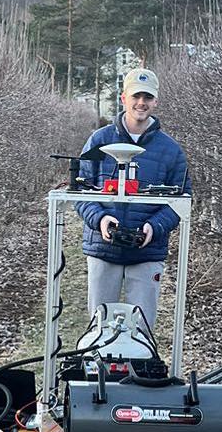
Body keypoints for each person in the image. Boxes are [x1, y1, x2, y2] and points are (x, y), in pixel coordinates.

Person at [75, 68, 191, 330]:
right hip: (103, 249)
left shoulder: (170, 150)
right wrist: (101, 219)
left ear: (156, 102)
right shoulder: (99, 141)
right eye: (136, 96)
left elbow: (181, 199)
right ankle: (100, 371)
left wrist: (154, 227)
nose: (142, 103)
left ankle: (140, 371)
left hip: (147, 252)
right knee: (100, 328)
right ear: (123, 98)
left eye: (147, 97)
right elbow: (81, 191)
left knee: (142, 329)